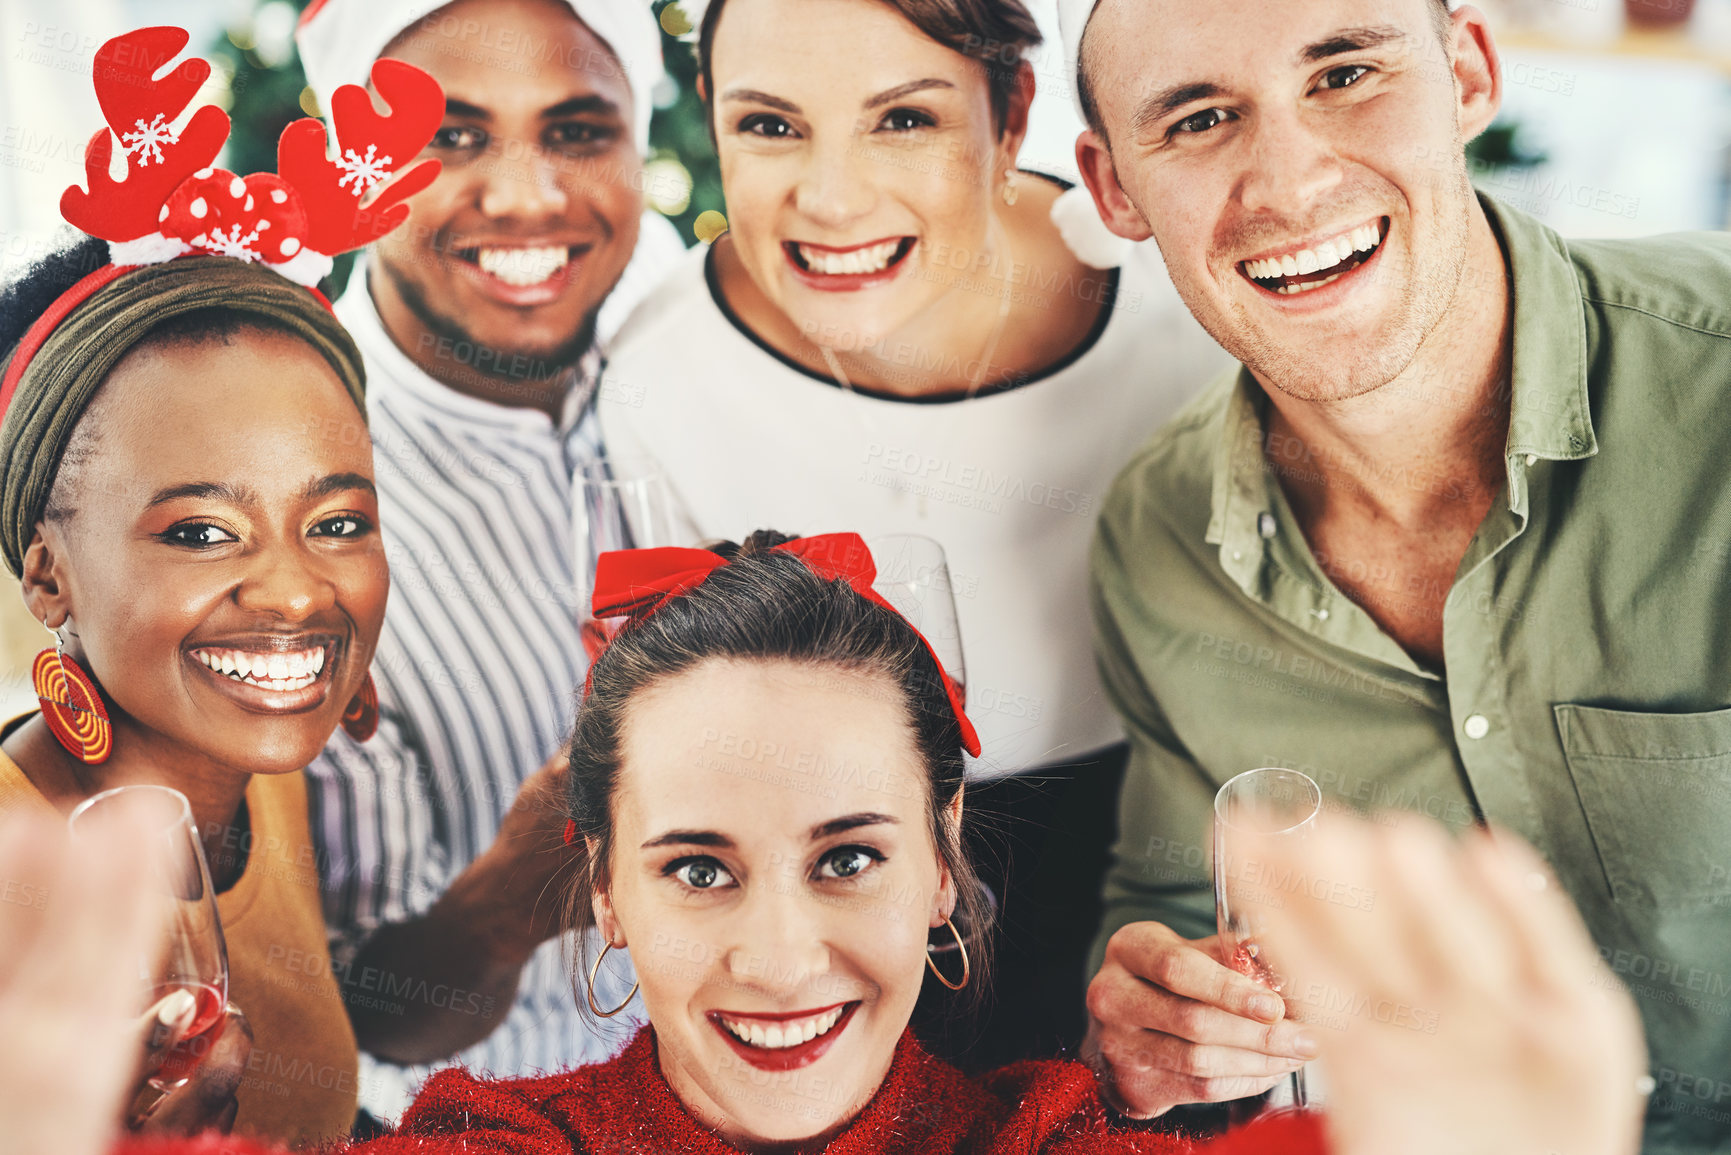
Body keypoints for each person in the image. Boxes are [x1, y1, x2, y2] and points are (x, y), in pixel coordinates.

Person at [0, 533, 1649, 1155]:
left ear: (946, 865)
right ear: (612, 893)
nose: (782, 958)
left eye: (848, 858)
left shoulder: (1051, 1143)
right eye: (700, 866)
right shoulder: (496, 1147)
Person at [1058, 0, 1731, 1149]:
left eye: (1346, 75)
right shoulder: (1156, 542)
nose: (1287, 182)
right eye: (1202, 118)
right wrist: (1163, 1024)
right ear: (1116, 188)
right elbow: (1176, 909)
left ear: (1467, 73)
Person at [597, 0, 1230, 1066]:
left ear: (1014, 112)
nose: (832, 198)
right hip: (848, 900)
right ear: (709, 116)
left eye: (903, 122)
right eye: (770, 125)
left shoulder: (1180, 302)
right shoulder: (665, 380)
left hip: (1161, 865)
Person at [0, 25, 445, 1143]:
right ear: (47, 573)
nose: (296, 592)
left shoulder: (256, 765)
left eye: (337, 520)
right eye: (201, 531)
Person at [292, 0, 686, 1120]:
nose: (524, 197)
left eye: (577, 131)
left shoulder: (702, 349)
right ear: (343, 159)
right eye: (447, 137)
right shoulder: (285, 477)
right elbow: (352, 1011)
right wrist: (524, 885)